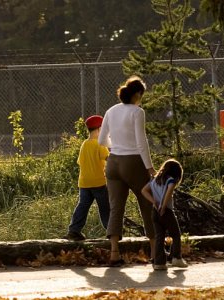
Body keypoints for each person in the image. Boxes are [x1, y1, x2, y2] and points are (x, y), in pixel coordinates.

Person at [98, 75, 156, 266]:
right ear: (138, 94)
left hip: (113, 162)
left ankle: (114, 253)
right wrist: (150, 168)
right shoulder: (137, 112)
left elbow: (101, 141)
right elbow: (141, 143)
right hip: (133, 162)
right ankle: (156, 251)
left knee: (116, 207)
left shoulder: (111, 111)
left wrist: (117, 146)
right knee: (147, 204)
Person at [64, 115, 110, 241]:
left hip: (84, 183)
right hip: (99, 182)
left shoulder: (84, 144)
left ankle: (74, 230)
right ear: (100, 129)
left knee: (82, 206)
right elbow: (109, 159)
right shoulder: (100, 144)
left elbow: (80, 162)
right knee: (105, 208)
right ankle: (112, 231)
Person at [141, 158, 188, 270]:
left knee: (159, 237)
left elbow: (143, 191)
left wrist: (154, 202)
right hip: (166, 210)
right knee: (176, 234)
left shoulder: (154, 180)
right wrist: (163, 205)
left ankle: (159, 262)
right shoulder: (171, 180)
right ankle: (176, 257)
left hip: (154, 211)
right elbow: (169, 191)